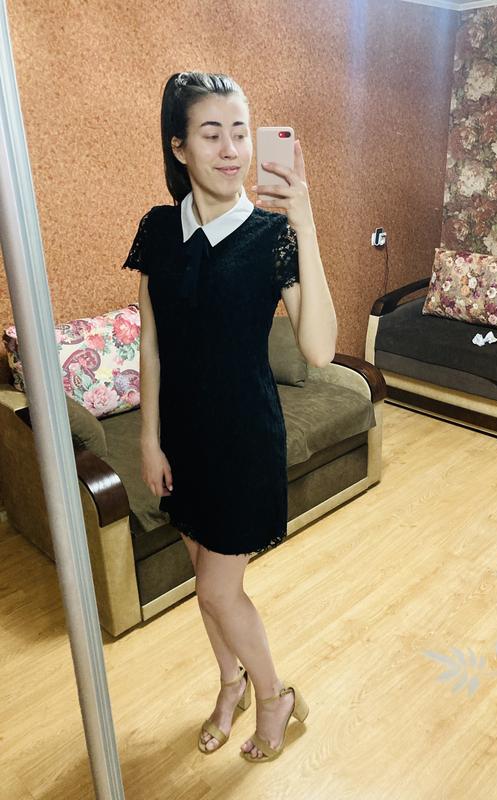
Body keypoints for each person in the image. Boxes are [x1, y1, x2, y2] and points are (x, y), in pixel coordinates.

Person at [122, 71, 337, 761]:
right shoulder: (159, 229)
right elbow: (152, 343)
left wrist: (305, 224)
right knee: (204, 586)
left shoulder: (273, 236)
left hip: (244, 440)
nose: (231, 150)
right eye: (211, 133)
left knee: (220, 591)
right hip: (182, 440)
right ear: (179, 146)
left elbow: (320, 348)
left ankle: (274, 695)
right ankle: (230, 684)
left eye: (240, 133)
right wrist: (149, 439)